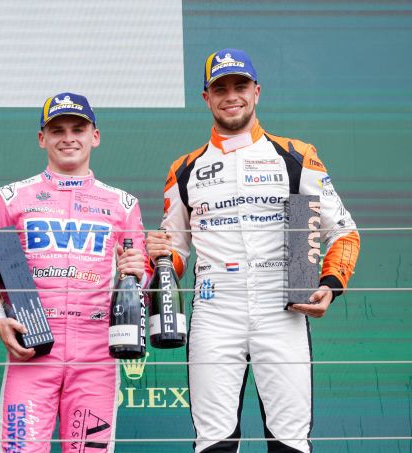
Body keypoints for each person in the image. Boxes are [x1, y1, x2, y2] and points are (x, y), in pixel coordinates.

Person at [146, 48, 360, 452]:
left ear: (257, 91)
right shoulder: (184, 169)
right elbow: (172, 252)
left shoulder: (297, 156)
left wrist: (330, 284)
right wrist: (155, 259)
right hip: (214, 312)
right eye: (220, 88)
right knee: (213, 442)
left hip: (283, 309)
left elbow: (345, 232)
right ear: (206, 98)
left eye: (240, 86)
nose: (232, 96)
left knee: (290, 441)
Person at [0, 92, 151, 452]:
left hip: (96, 353)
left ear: (95, 136)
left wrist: (140, 273)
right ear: (43, 138)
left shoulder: (124, 205)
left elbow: (141, 280)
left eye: (78, 128)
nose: (68, 137)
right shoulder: (11, 198)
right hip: (32, 347)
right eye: (57, 130)